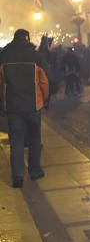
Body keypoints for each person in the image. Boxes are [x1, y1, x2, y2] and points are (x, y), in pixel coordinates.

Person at [0, 29, 51, 187]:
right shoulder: (35, 56)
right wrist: (45, 98)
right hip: (33, 105)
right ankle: (35, 171)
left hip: (13, 106)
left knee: (16, 141)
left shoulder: (4, 56)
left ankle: (17, 176)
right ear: (27, 38)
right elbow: (44, 81)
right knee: (35, 138)